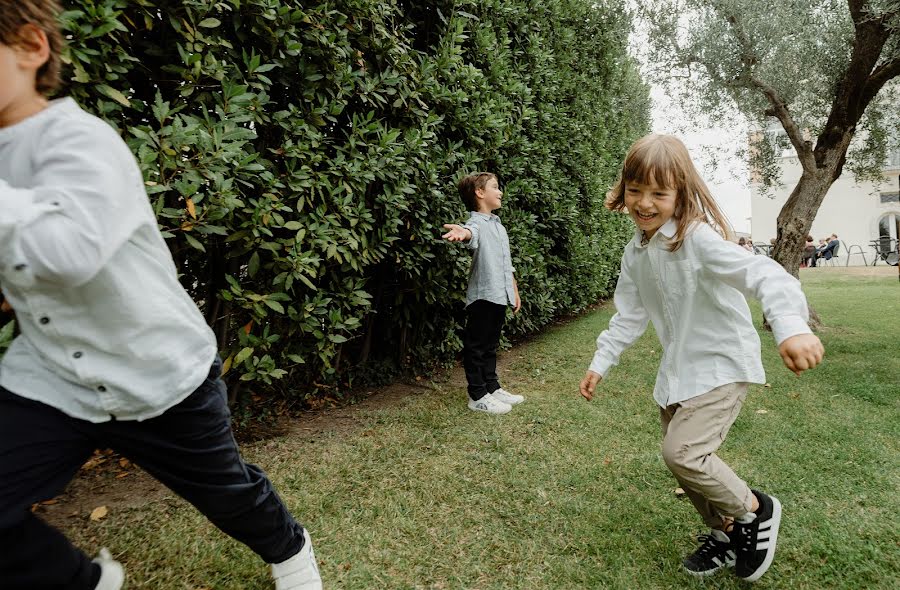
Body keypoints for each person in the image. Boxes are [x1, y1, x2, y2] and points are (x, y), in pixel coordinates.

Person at [0, 3, 321, 589]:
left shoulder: (81, 140)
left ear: (31, 47)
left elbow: (70, 254)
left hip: (157, 372)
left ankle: (292, 550)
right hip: (52, 377)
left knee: (229, 496)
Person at [579, 134, 824, 582]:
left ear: (680, 192)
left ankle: (755, 508)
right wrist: (601, 362)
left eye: (659, 192)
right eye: (635, 190)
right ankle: (727, 534)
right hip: (677, 374)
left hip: (720, 366)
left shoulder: (697, 239)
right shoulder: (635, 253)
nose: (645, 203)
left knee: (683, 453)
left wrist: (791, 326)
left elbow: (763, 273)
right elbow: (630, 315)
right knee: (688, 468)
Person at [441, 172, 524, 415]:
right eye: (495, 187)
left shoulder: (499, 227)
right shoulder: (476, 223)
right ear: (480, 193)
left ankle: (492, 387)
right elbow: (470, 233)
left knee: (490, 345)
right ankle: (477, 395)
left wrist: (514, 290)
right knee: (476, 346)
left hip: (499, 295)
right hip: (483, 296)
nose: (500, 192)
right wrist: (462, 233)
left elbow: (506, 263)